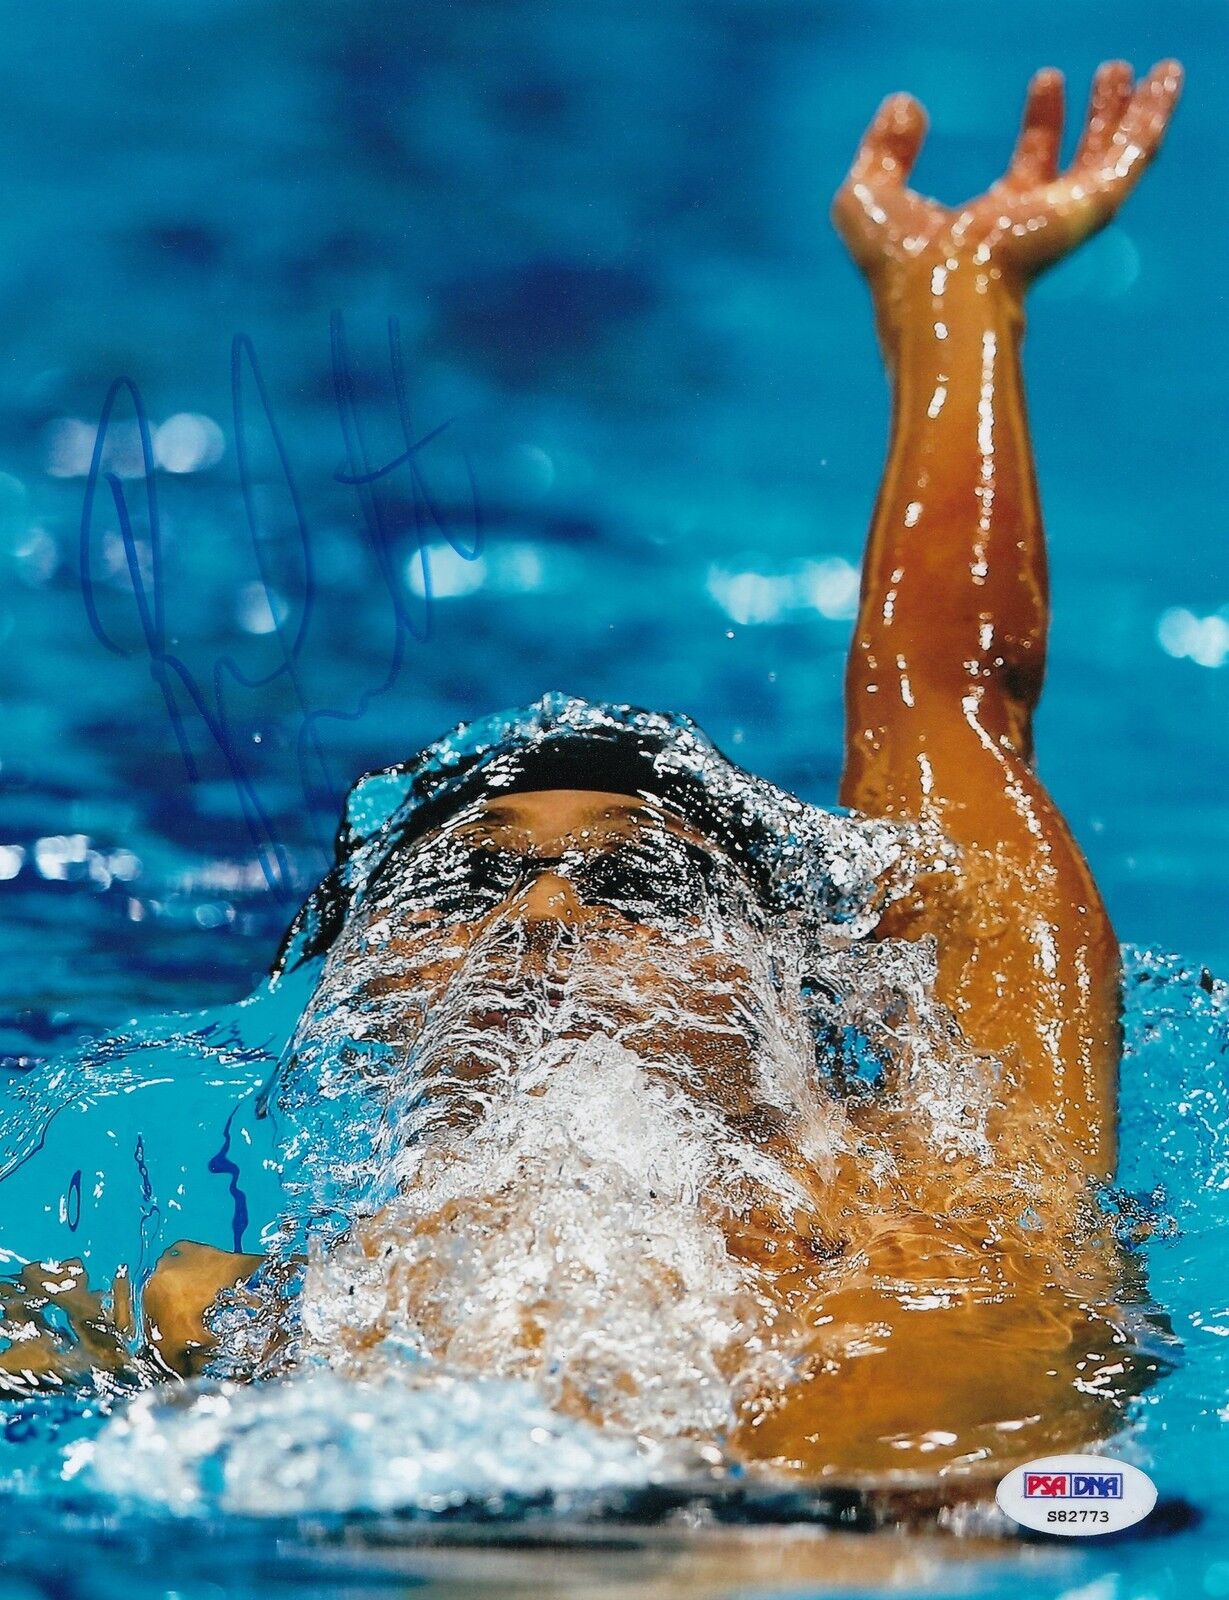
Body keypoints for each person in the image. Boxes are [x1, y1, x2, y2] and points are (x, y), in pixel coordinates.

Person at [0, 61, 1183, 1485]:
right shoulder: (243, 1313)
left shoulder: (970, 1187)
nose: (545, 923)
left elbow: (952, 703)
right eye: (471, 885)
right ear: (367, 995)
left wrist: (955, 307)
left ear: (801, 992)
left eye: (636, 883)